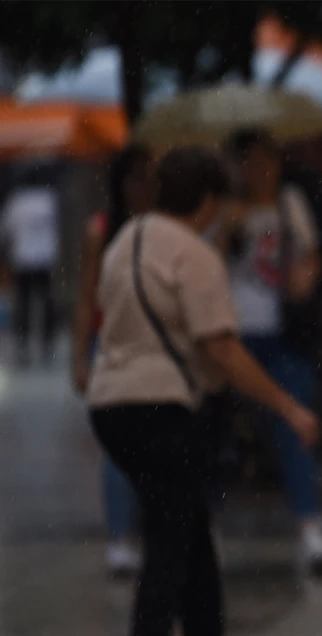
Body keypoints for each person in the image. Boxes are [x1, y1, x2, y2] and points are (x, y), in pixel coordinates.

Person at [87, 147, 320, 636]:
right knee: (172, 535)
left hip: (110, 405)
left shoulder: (127, 237)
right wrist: (288, 407)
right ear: (210, 199)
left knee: (187, 523)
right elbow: (222, 348)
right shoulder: (193, 255)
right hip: (161, 405)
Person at [221, 129, 322, 571]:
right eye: (249, 162)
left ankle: (310, 526)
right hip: (234, 334)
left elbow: (312, 255)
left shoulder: (290, 202)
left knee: (296, 423)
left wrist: (304, 277)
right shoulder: (226, 208)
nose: (259, 171)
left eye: (266, 160)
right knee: (218, 432)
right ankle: (205, 523)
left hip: (282, 331)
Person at [70, 144, 156, 575]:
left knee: (158, 440)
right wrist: (79, 358)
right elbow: (86, 298)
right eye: (134, 178)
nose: (142, 187)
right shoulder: (101, 230)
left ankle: (148, 527)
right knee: (118, 443)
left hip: (155, 344)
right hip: (113, 342)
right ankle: (121, 534)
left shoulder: (166, 230)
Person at [1, 166, 60, 365]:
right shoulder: (48, 199)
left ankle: (23, 343)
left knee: (24, 303)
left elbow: (7, 232)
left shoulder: (17, 201)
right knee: (45, 300)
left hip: (24, 257)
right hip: (44, 256)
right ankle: (46, 342)